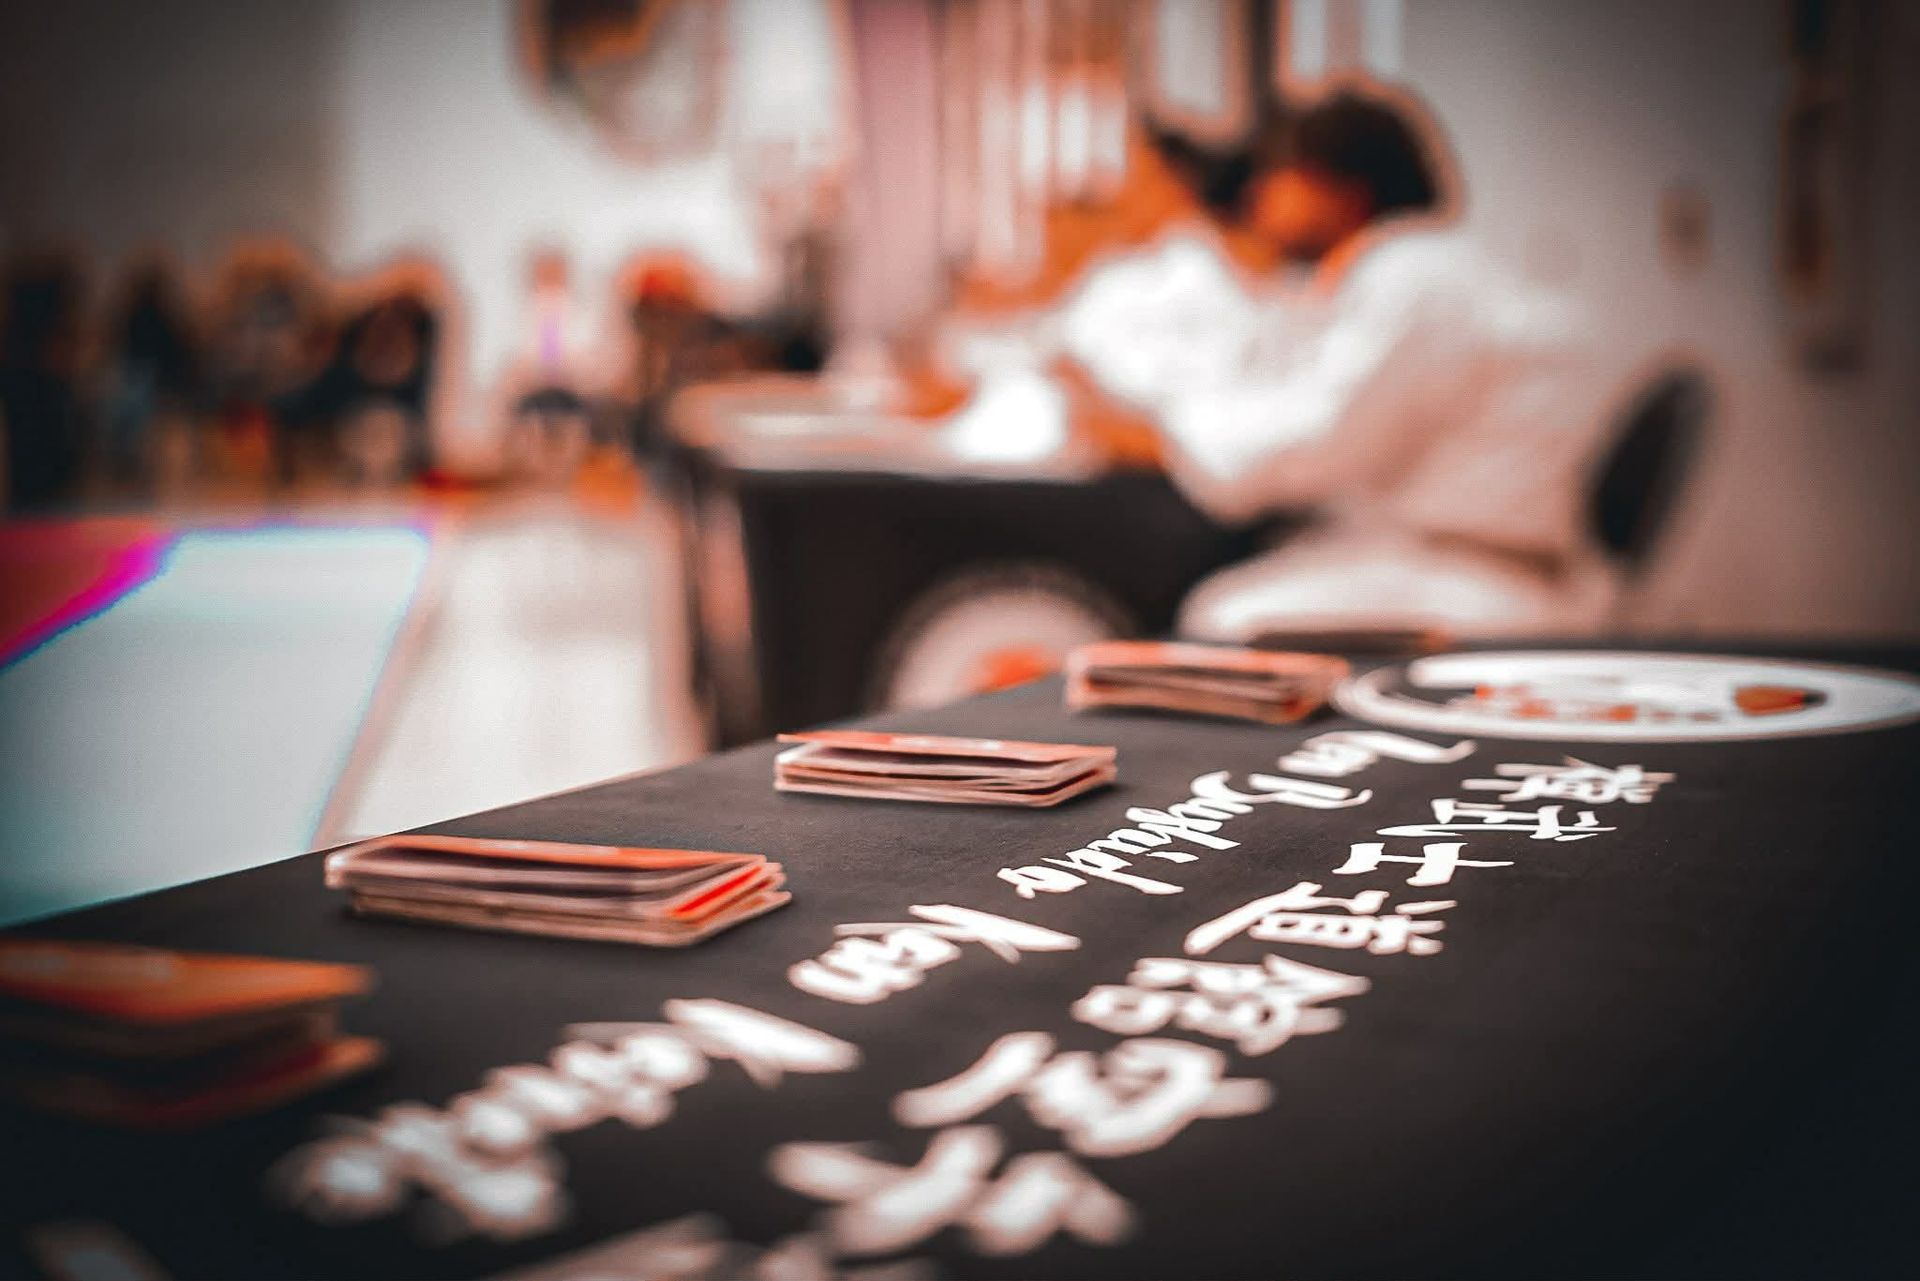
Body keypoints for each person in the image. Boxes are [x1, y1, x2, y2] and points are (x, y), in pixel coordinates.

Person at [1059, 90, 1617, 640]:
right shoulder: (1416, 269)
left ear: (1341, 188)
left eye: (1283, 175)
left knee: (1223, 617)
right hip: (1446, 555)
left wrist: (1161, 428)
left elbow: (1310, 447)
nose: (1261, 195)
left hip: (1484, 574)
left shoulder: (1415, 276)